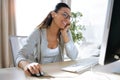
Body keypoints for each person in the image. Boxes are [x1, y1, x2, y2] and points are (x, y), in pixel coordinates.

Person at [16, 2, 78, 76]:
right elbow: (20, 55)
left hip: (58, 75)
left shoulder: (66, 33)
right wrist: (27, 65)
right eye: (64, 14)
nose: (67, 19)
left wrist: (64, 35)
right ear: (53, 14)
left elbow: (73, 56)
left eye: (69, 17)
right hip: (39, 74)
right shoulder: (38, 33)